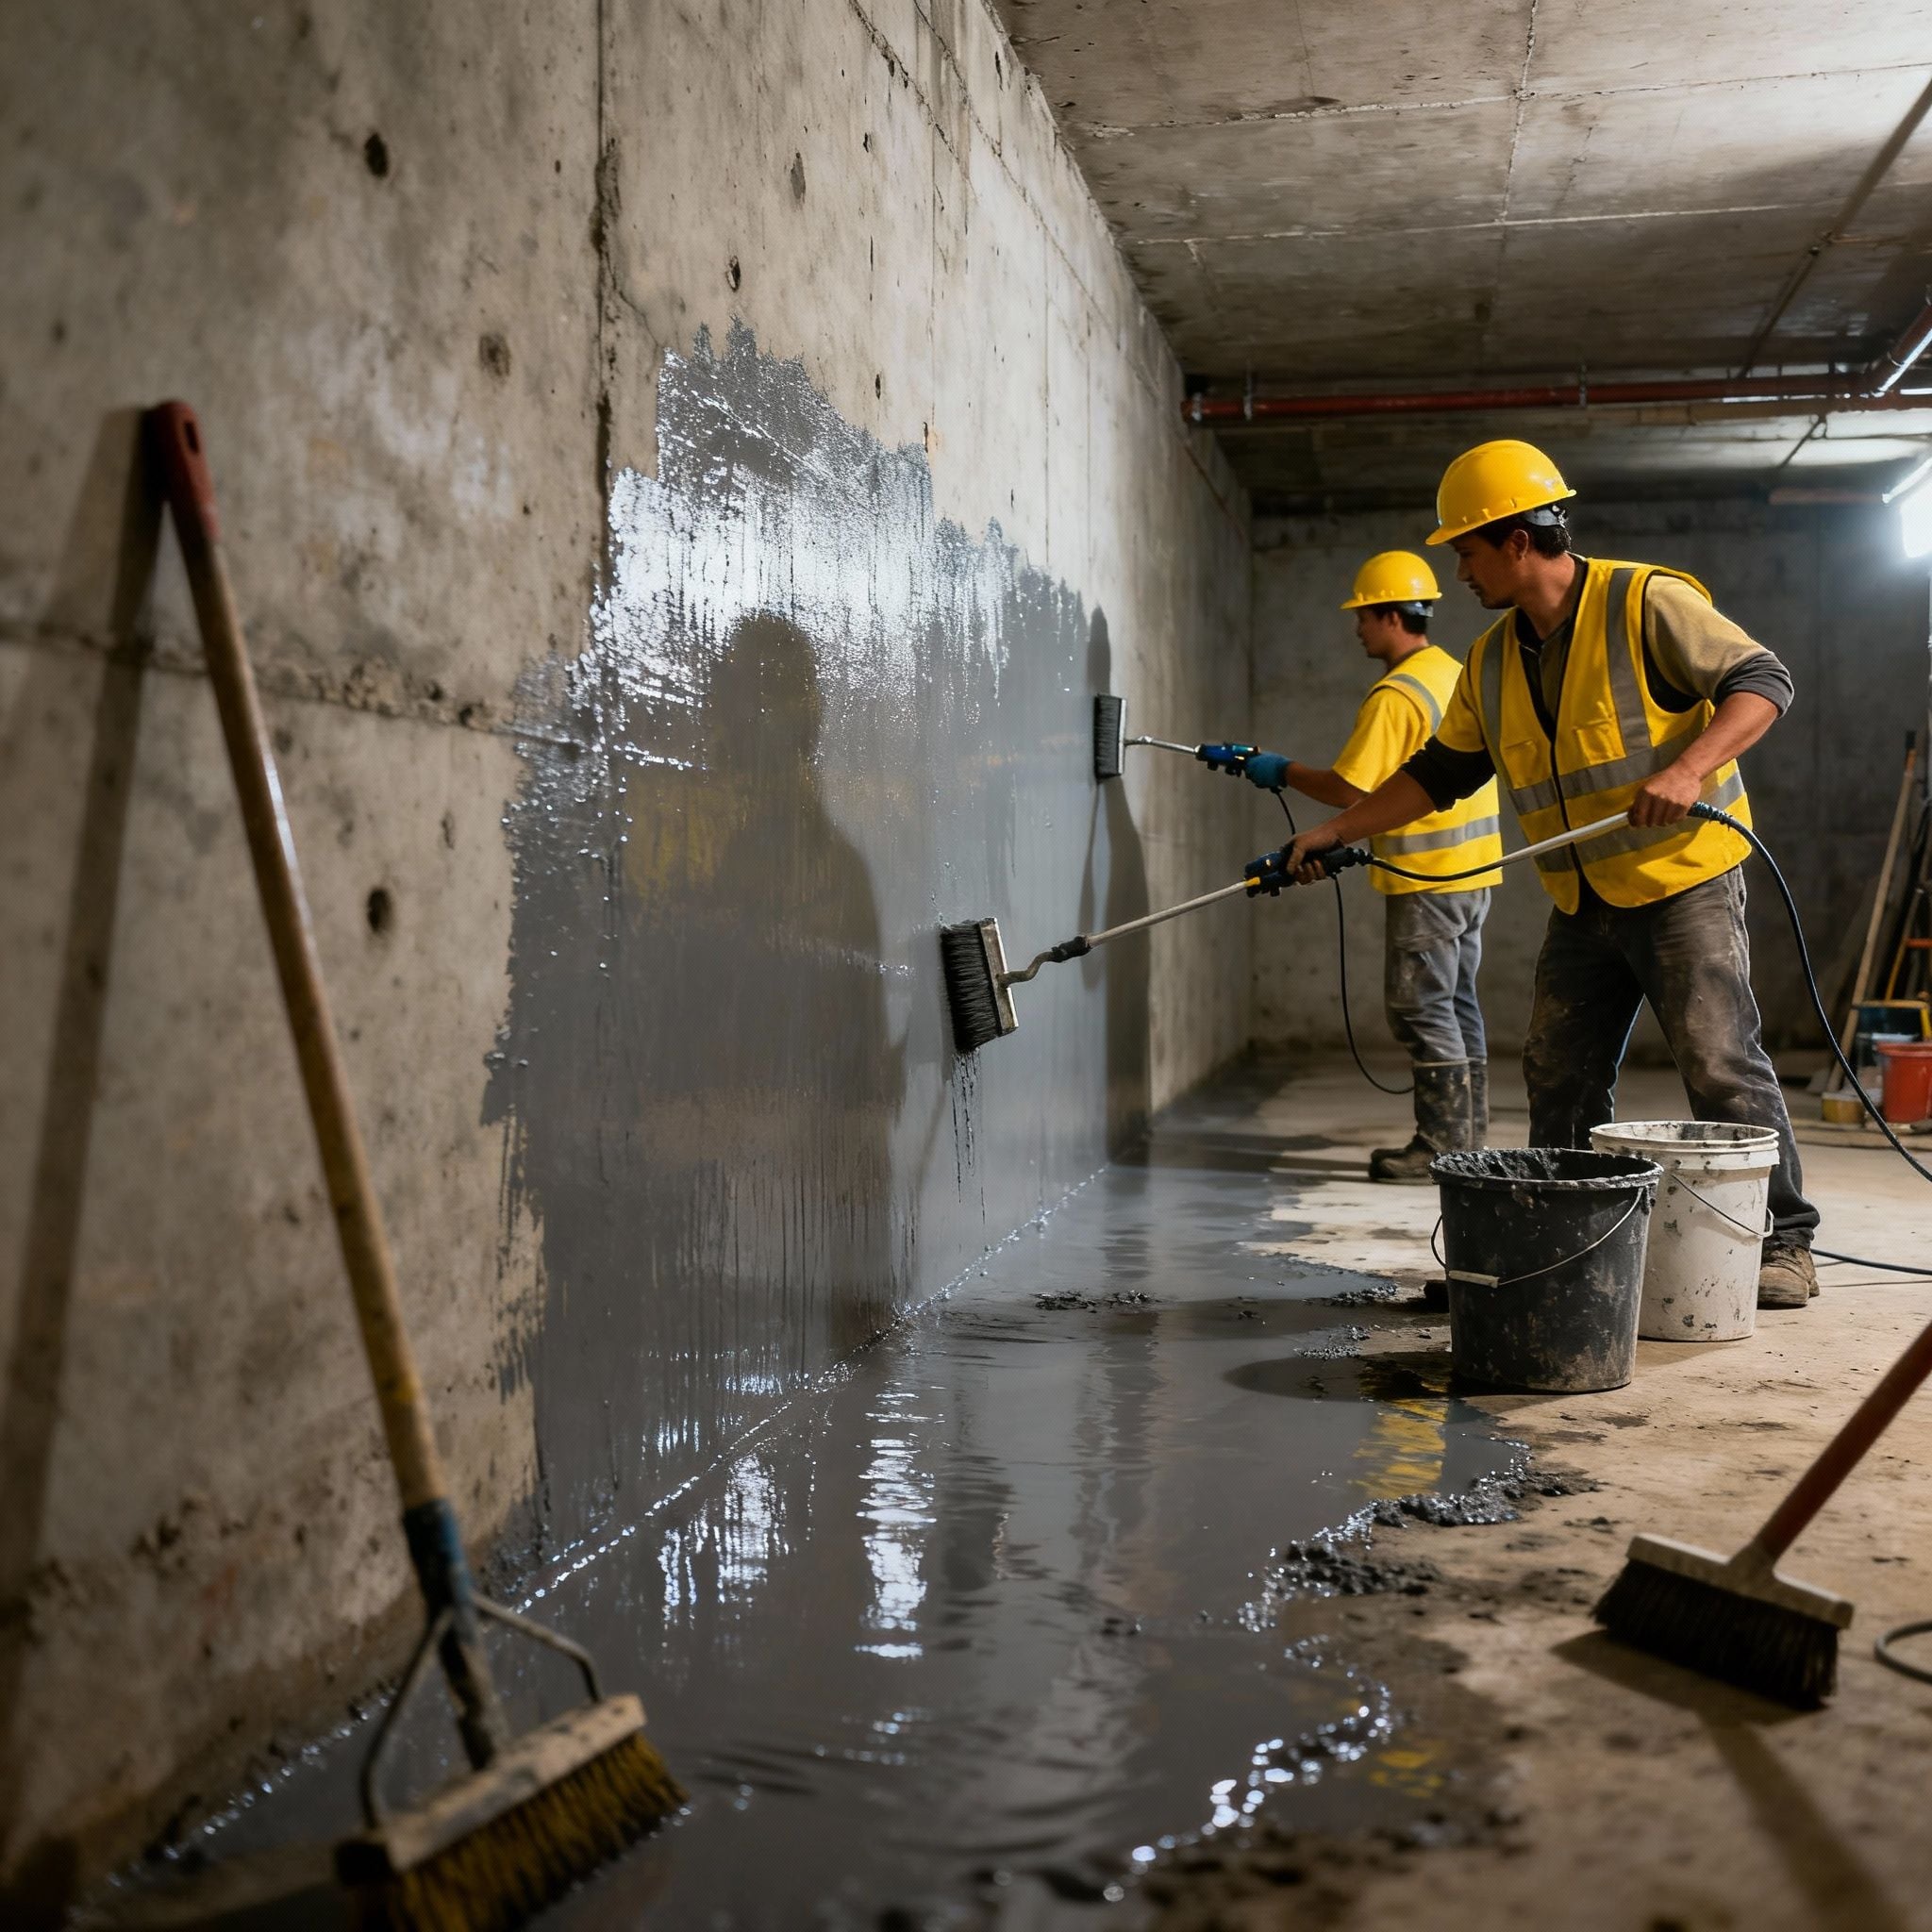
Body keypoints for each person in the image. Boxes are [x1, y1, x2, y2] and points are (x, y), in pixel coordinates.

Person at [1266, 440, 1819, 1307]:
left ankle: (1785, 1244)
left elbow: (1762, 678)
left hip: (1685, 881)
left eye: (1468, 550)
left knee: (1719, 1065)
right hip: (1583, 897)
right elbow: (1440, 774)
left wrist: (1689, 770)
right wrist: (1338, 828)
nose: (1459, 573)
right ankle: (1554, 1242)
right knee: (1559, 1075)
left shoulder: (1645, 602)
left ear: (1519, 540)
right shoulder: (1489, 659)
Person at [1227, 553, 1502, 1179]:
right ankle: (1467, 1141)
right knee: (1456, 1004)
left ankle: (1440, 1148)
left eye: (1363, 616)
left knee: (1420, 1007)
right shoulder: (1453, 674)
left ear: (1389, 615)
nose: (1357, 630)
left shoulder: (1398, 693)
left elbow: (1351, 789)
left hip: (1426, 875)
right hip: (1472, 873)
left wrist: (1281, 769)